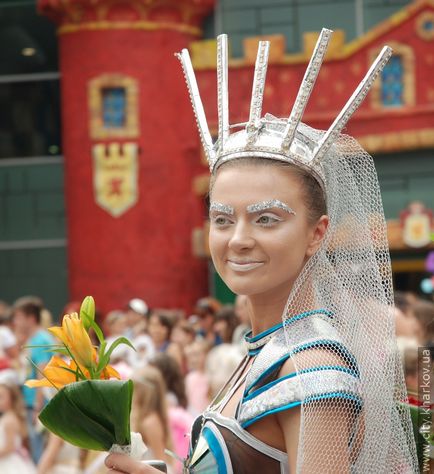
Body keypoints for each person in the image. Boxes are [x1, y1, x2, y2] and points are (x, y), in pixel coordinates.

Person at [105, 30, 418, 473]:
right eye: (222, 219)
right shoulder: (268, 349)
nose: (239, 239)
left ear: (316, 233)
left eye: (267, 218)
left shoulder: (313, 369)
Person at [0, 382, 36, 474]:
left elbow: (9, 446)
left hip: (9, 460)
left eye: (1, 397)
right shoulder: (8, 417)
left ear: (11, 399)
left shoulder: (9, 420)